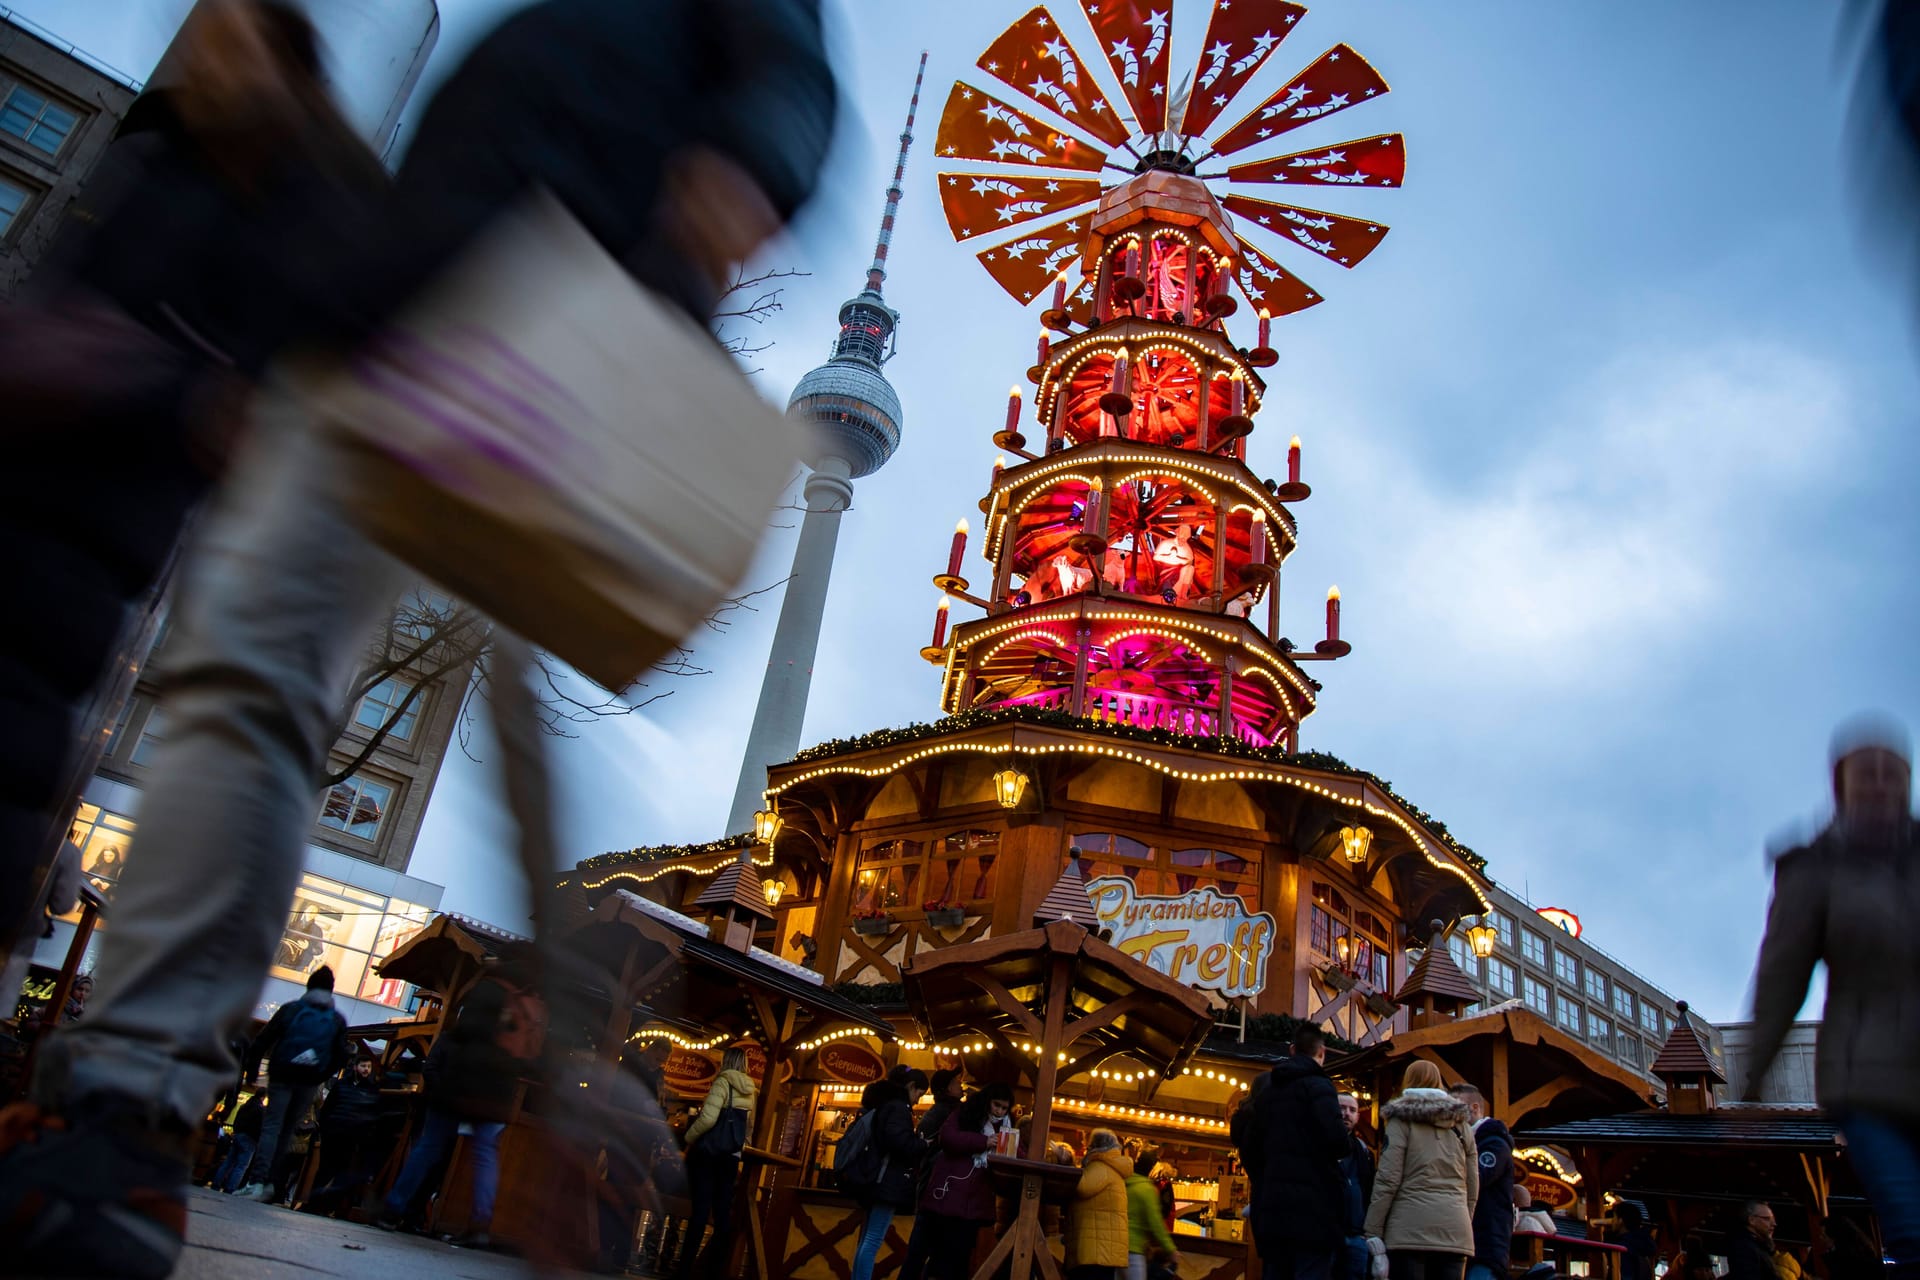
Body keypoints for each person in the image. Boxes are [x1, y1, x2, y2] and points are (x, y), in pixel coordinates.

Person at [0, 0, 837, 1272]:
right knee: (259, 673)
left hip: (548, 309)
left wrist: (736, 176)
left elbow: (786, 69)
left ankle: (548, 1085)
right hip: (395, 317)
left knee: (357, 691)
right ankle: (132, 1105)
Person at [0, 0, 383, 970]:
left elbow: (235, 403)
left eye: (233, 29)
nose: (206, 44)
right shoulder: (156, 161)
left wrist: (115, 369)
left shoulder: (290, 217)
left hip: (80, 543)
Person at [1743, 716, 1920, 1278]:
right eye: (1864, 775)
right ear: (1840, 787)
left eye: (1892, 775)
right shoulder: (1814, 868)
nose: (1880, 786)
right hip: (1866, 1080)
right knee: (1914, 1231)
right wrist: (1752, 1082)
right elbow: (1782, 977)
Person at [375, 965, 546, 1247]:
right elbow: (532, 1057)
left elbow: (465, 1030)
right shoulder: (532, 1001)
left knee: (430, 1144)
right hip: (499, 1090)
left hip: (463, 1081)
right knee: (485, 1155)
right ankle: (480, 1225)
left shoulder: (488, 989)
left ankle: (393, 1207)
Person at [235, 965, 348, 1201]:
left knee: (272, 1127)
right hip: (309, 1082)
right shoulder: (336, 1019)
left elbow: (262, 1040)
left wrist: (252, 1071)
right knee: (287, 1132)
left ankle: (256, 1182)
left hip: (283, 1075)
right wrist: (320, 1075)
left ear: (309, 985)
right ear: (331, 990)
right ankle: (271, 1185)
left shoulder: (292, 1009)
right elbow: (341, 1055)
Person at [1247, 1025, 1350, 1280]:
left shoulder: (1268, 1093)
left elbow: (1250, 1147)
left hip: (1273, 1211)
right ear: (1322, 1052)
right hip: (1315, 1211)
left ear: (1292, 1050)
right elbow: (1338, 1142)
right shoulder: (1321, 1087)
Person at [1362, 1061, 1478, 1280]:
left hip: (1408, 1228)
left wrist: (1373, 1230)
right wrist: (1463, 1215)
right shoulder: (1461, 1123)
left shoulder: (1401, 1119)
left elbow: (1388, 1179)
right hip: (1455, 1228)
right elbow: (1473, 1181)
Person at [674, 1046, 758, 1279]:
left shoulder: (722, 1082)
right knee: (722, 1215)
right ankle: (716, 1271)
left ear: (727, 1061)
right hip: (731, 1157)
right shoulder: (751, 1090)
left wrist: (689, 1137)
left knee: (700, 1212)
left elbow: (709, 1119)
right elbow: (749, 1127)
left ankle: (685, 1270)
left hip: (709, 1155)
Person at [919, 1084, 1015, 1280]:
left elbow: (1016, 1152)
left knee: (961, 1259)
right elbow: (947, 1137)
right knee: (942, 1258)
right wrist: (983, 1141)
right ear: (987, 1100)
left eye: (1004, 1108)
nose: (999, 1111)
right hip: (950, 1198)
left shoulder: (1006, 1127)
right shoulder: (965, 1114)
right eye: (997, 1105)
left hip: (973, 1205)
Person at [847, 1065, 931, 1280]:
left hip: (874, 1177)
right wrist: (921, 1144)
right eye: (919, 1094)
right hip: (887, 1181)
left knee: (867, 1237)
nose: (918, 1101)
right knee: (874, 1238)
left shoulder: (883, 1104)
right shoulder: (898, 1108)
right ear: (911, 1086)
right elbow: (898, 1142)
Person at [1446, 1082, 1512, 1280]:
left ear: (1474, 1108)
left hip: (1485, 1244)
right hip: (1463, 1240)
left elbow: (1479, 1179)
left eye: (1457, 1106)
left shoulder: (1494, 1143)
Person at [305, 1053, 385, 1216]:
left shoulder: (369, 1089)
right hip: (335, 1132)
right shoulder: (344, 1086)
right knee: (327, 1169)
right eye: (363, 1066)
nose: (366, 1070)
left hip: (351, 1135)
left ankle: (327, 1205)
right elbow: (328, 1107)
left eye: (369, 1067)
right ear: (356, 1067)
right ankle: (316, 1204)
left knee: (339, 1171)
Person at [1067, 1128, 1133, 1280]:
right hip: (1103, 1247)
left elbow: (1081, 1187)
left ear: (1095, 1147)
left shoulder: (1100, 1166)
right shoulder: (1111, 1167)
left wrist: (1068, 1164)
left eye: (1089, 1146)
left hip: (1096, 1249)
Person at [1338, 1092, 1378, 1280]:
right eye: (1342, 1108)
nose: (1347, 1113)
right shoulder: (1317, 1145)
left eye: (1352, 1110)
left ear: (1357, 1116)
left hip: (1356, 1233)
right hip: (1327, 1233)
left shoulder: (1363, 1151)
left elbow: (1370, 1189)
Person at [1125, 1147, 1179, 1280]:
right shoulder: (1147, 1189)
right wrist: (1170, 1249)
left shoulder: (1124, 1184)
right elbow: (1156, 1222)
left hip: (1116, 1248)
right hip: (1135, 1249)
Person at [210, 1090, 265, 1194]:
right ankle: (230, 1188)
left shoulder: (244, 1106)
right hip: (249, 1138)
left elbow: (237, 1120)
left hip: (238, 1135)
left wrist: (236, 1131)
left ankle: (216, 1184)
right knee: (241, 1166)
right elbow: (258, 1126)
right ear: (263, 1097)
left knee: (228, 1162)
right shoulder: (260, 1110)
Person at [1727, 1202, 1780, 1280]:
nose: (1774, 1224)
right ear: (1752, 1220)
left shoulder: (1757, 1245)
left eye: (1773, 1219)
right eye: (1767, 1219)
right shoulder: (1744, 1248)